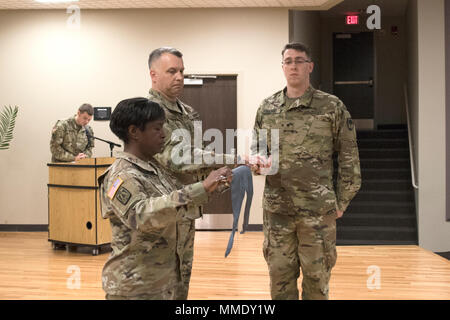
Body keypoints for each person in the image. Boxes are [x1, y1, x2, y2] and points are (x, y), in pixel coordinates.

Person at [251, 42, 361, 300]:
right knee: (279, 280)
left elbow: (349, 157)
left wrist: (342, 200)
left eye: (299, 60)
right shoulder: (267, 108)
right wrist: (257, 164)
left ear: (310, 66)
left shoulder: (331, 107)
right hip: (277, 212)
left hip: (317, 213)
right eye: (288, 61)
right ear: (282, 67)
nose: (293, 66)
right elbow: (257, 153)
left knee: (316, 280)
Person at [98, 97, 231, 300]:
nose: (164, 135)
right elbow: (140, 215)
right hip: (134, 288)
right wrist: (201, 188)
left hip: (163, 282)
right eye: (157, 128)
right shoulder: (121, 174)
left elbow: (176, 203)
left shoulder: (154, 168)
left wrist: (214, 185)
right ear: (134, 132)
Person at [147, 47, 238, 299]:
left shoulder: (187, 112)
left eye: (182, 71)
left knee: (180, 281)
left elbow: (197, 159)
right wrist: (236, 159)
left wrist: (220, 178)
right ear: (154, 75)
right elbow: (177, 157)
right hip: (161, 214)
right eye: (172, 71)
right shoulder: (149, 112)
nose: (179, 77)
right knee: (159, 285)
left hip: (186, 211)